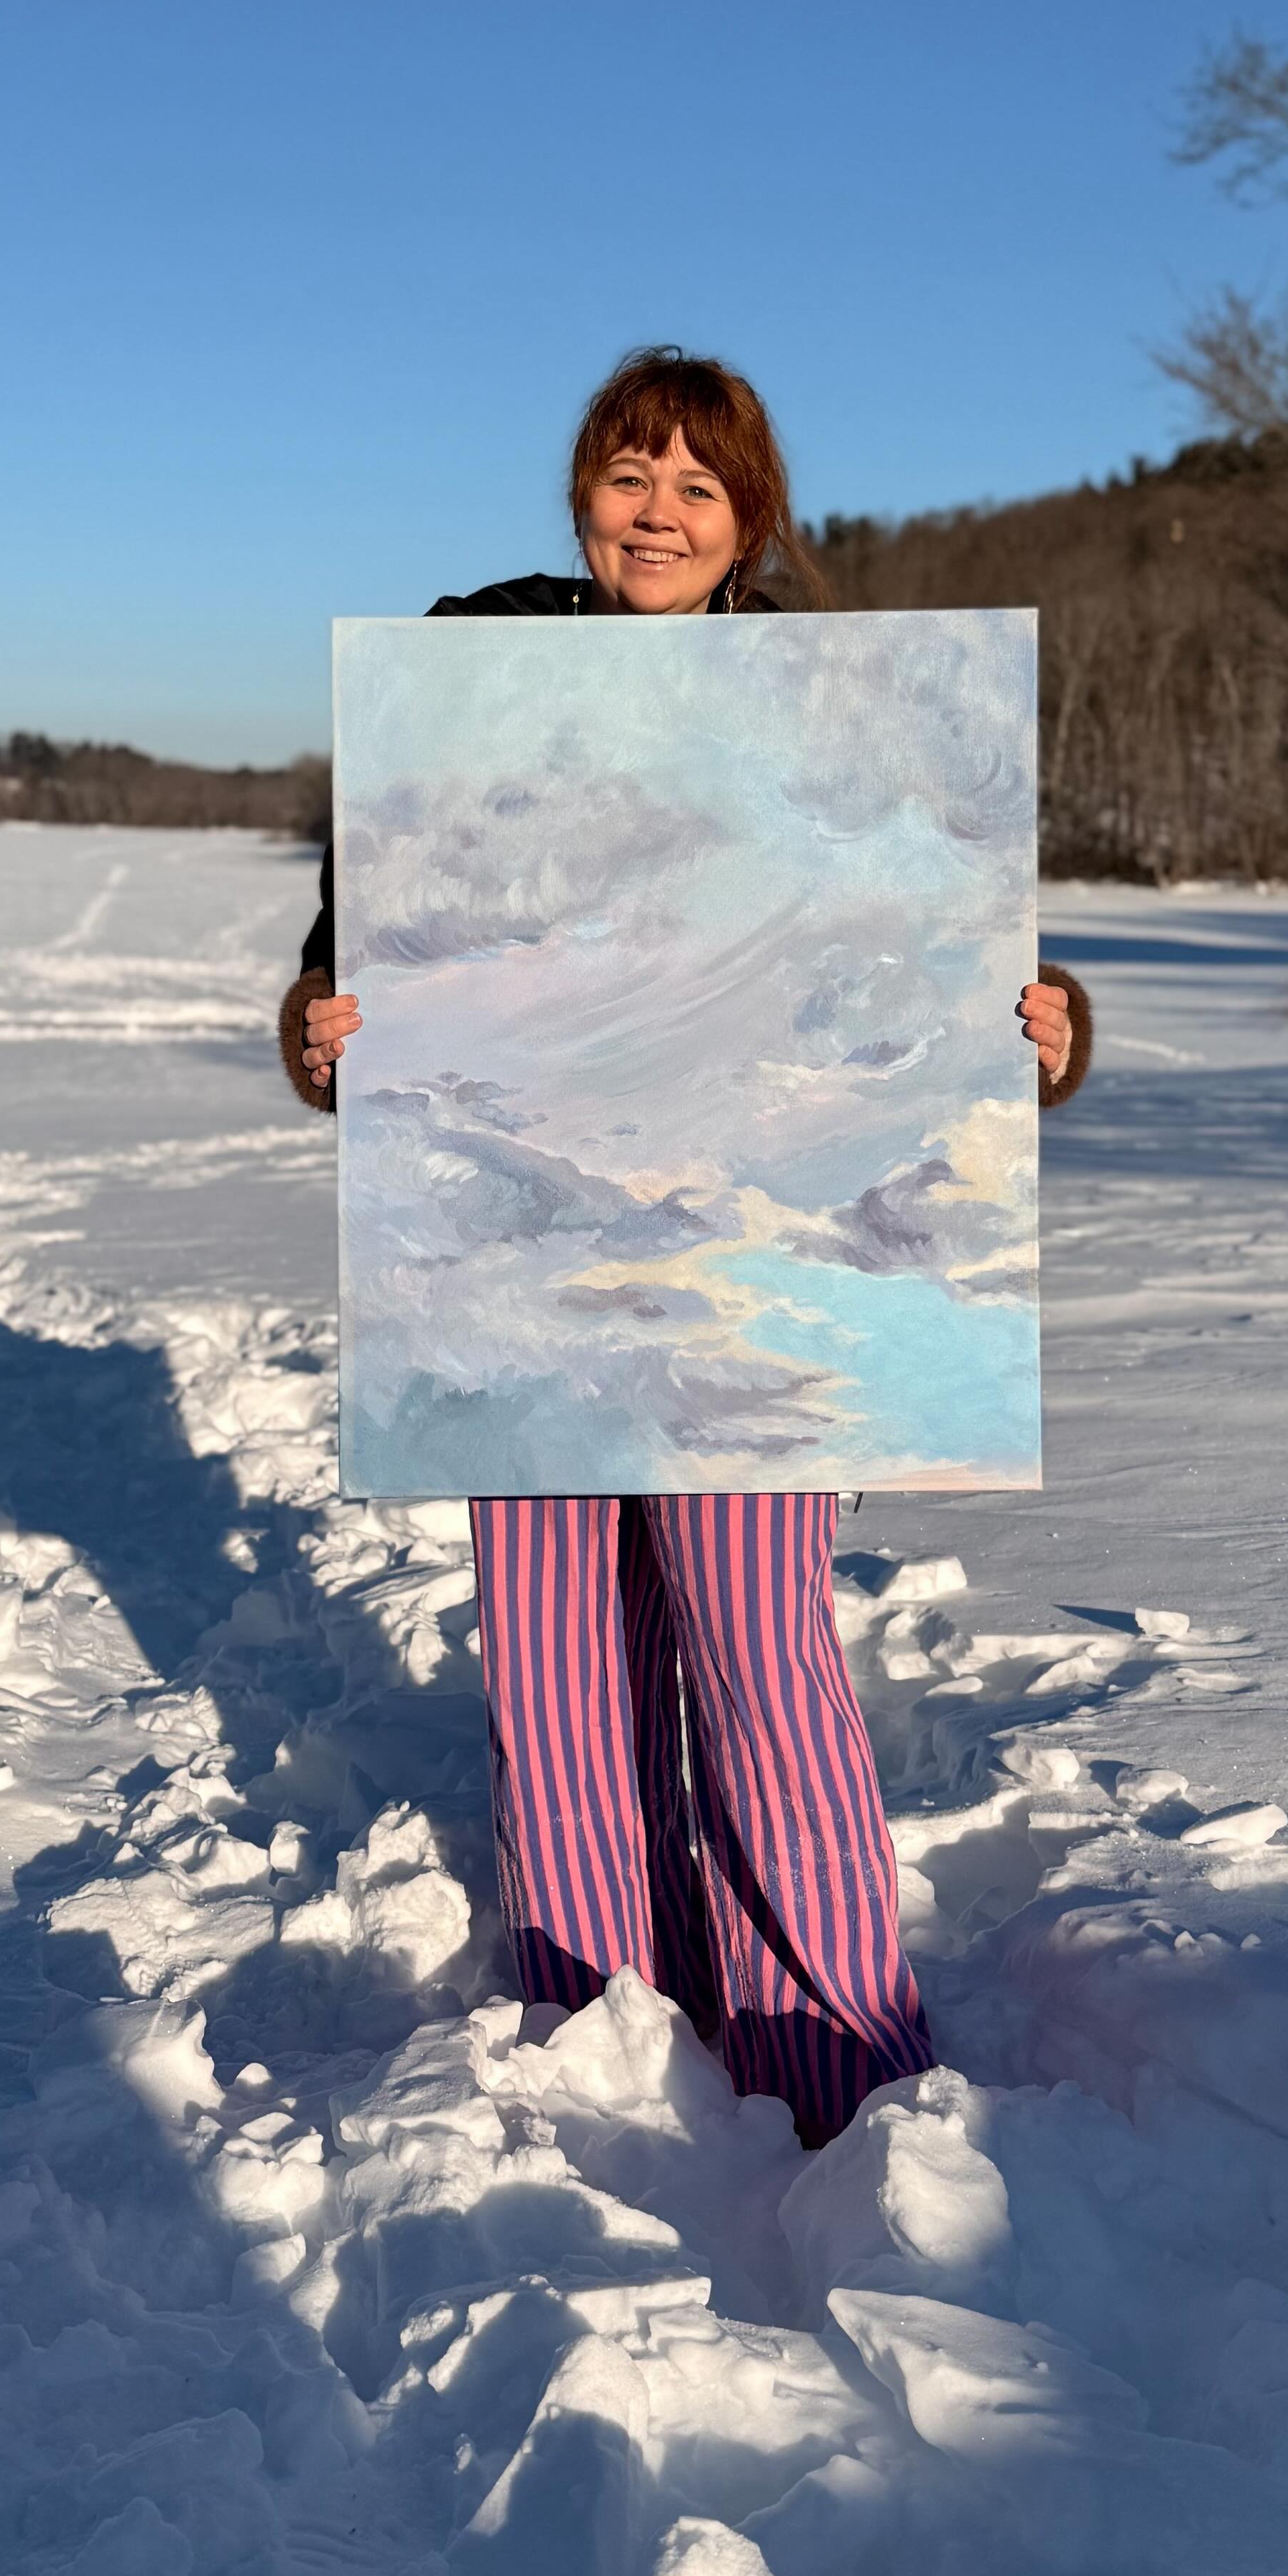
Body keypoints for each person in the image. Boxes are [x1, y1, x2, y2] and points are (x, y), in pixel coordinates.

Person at [279, 346, 1093, 2143]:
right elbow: (363, 946)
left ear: (751, 521)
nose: (658, 515)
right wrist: (327, 1028)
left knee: (757, 1657)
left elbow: (934, 953)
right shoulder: (473, 671)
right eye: (630, 475)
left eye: (697, 487)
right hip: (514, 1262)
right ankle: (600, 2021)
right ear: (583, 490)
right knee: (554, 1665)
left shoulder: (841, 704)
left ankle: (829, 2038)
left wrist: (1035, 1031)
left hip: (752, 1275)